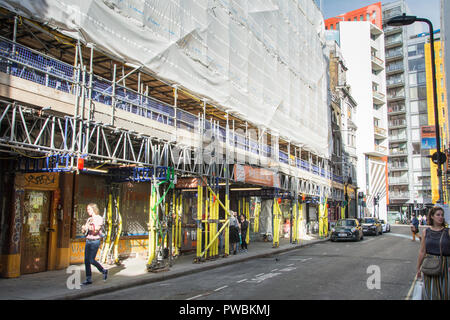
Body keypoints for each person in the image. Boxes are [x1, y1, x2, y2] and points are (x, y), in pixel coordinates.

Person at [416, 206, 450, 300]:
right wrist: (418, 268)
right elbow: (422, 251)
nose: (441, 217)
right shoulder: (426, 232)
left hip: (445, 266)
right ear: (432, 216)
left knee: (445, 294)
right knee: (430, 294)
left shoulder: (448, 231)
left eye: (442, 215)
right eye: (438, 215)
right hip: (429, 266)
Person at [81, 203, 108, 285]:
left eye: (89, 209)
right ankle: (88, 279)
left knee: (91, 260)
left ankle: (103, 270)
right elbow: (85, 231)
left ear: (94, 209)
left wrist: (89, 227)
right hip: (88, 240)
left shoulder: (99, 218)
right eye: (87, 209)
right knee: (86, 260)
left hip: (95, 241)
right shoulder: (89, 219)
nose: (87, 211)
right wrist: (83, 229)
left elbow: (96, 230)